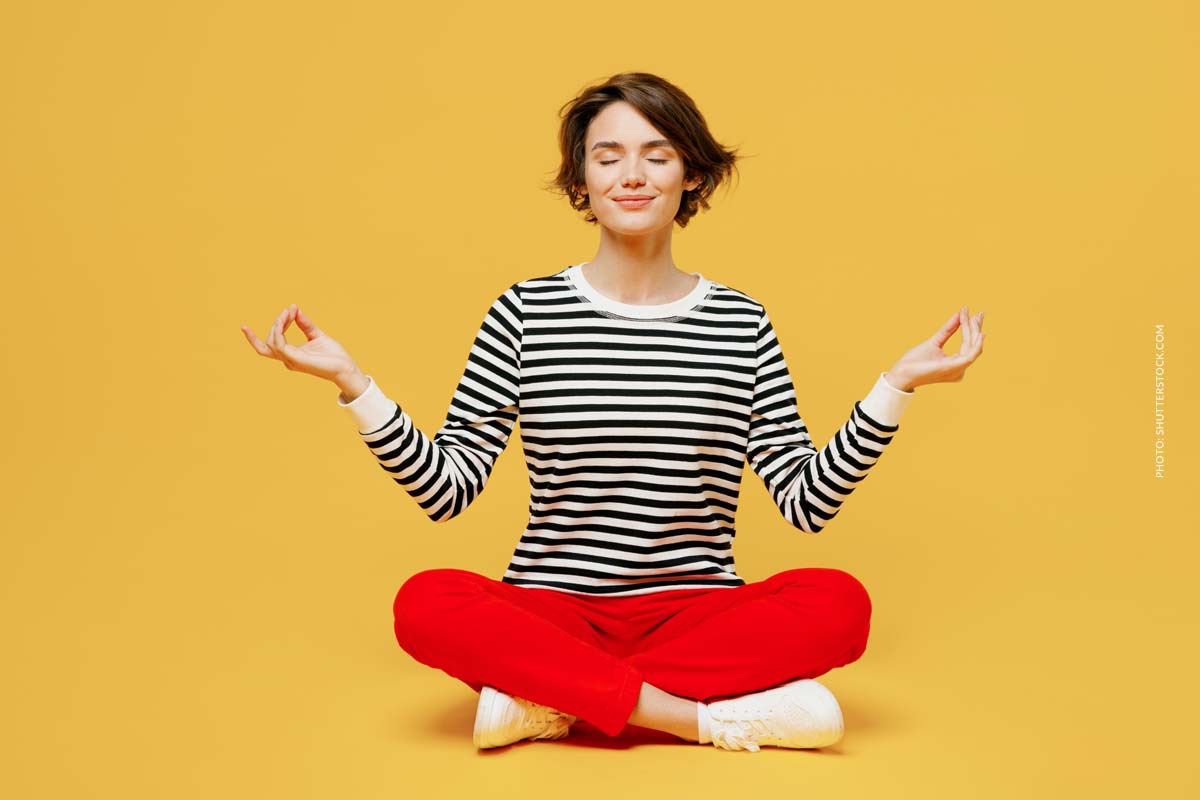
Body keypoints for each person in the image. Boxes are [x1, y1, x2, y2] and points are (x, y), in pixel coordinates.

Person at [240, 72, 985, 753]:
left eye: (657, 156)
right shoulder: (524, 313)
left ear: (691, 175)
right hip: (552, 611)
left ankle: (552, 701)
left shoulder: (742, 324)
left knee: (839, 603)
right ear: (582, 181)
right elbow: (447, 488)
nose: (632, 175)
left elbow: (806, 500)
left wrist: (895, 387)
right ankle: (698, 719)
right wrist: (353, 384)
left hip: (696, 613)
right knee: (426, 602)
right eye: (608, 157)